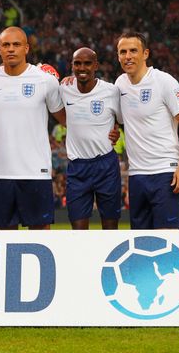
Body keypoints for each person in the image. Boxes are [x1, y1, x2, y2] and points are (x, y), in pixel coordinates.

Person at [0, 27, 65, 230]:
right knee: (4, 239)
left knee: (40, 235)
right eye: (6, 45)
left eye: (16, 44)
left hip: (36, 171)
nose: (11, 49)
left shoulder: (46, 80)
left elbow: (65, 118)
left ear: (26, 48)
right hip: (0, 172)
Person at [115, 32, 179, 229]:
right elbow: (116, 121)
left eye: (133, 50)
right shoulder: (119, 84)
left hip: (165, 172)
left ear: (145, 54)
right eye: (122, 52)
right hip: (136, 175)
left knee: (168, 238)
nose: (128, 56)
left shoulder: (164, 81)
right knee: (140, 240)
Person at [61, 47, 122, 229]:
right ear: (72, 66)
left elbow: (121, 119)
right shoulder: (63, 89)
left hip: (106, 165)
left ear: (96, 65)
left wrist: (116, 129)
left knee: (110, 227)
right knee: (78, 229)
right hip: (77, 167)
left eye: (87, 63)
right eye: (77, 63)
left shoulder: (111, 91)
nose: (82, 68)